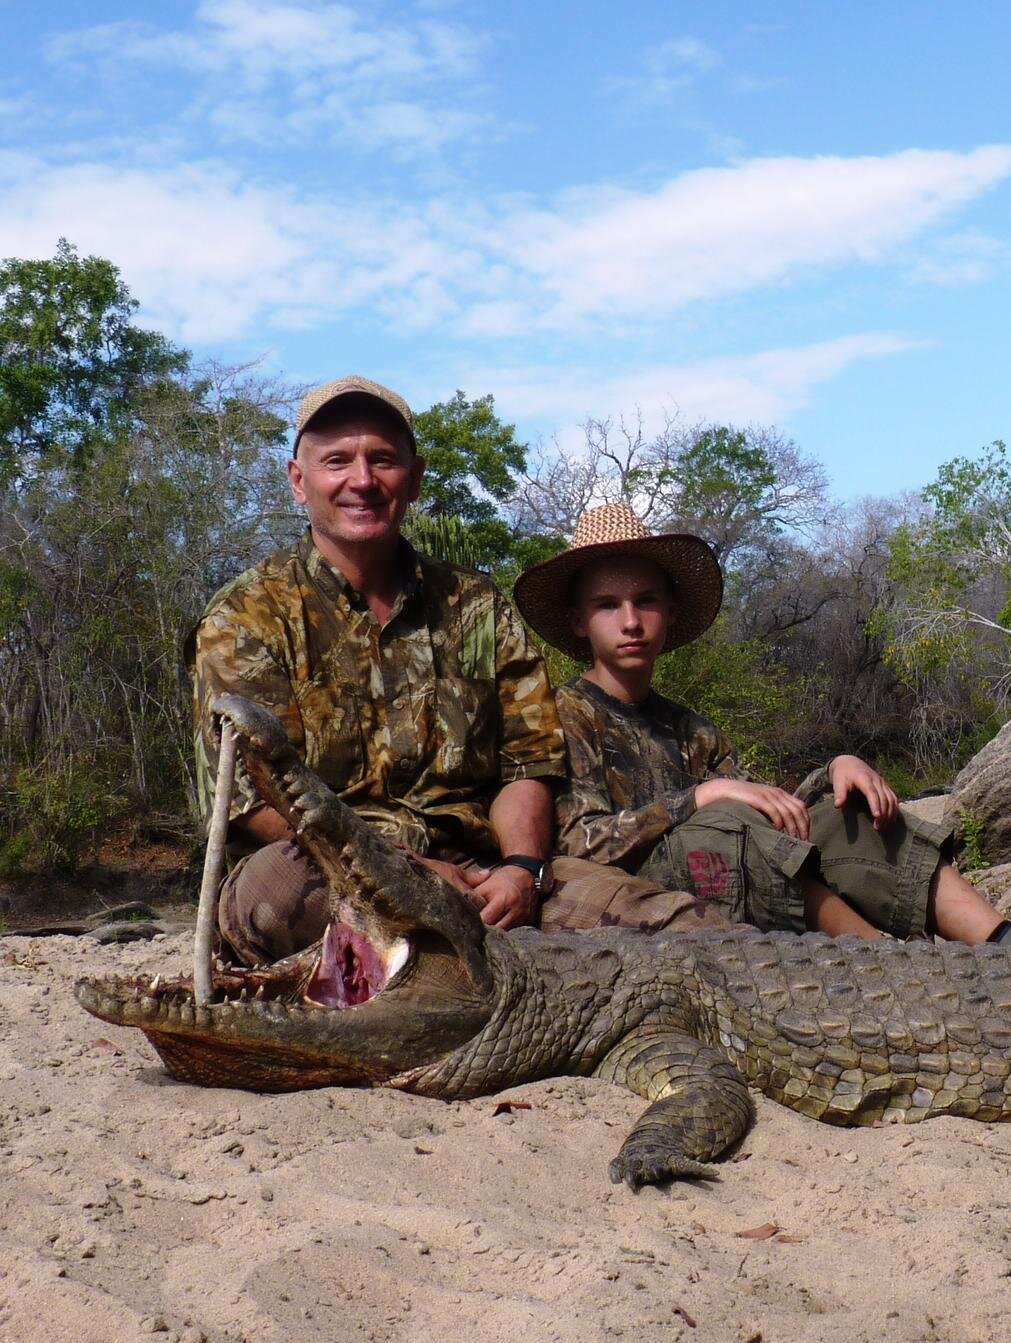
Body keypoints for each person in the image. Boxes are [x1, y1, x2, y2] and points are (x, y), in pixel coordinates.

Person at [193, 377, 723, 966]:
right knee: (276, 892)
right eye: (337, 461)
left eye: (383, 460)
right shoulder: (246, 617)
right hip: (323, 867)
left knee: (692, 931)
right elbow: (250, 800)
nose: (362, 480)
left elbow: (528, 764)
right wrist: (407, 873)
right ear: (299, 481)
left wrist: (523, 869)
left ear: (414, 478)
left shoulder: (477, 608)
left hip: (483, 876)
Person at [513, 503, 1011, 946]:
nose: (630, 621)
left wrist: (836, 770)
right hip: (647, 903)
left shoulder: (691, 727)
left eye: (646, 601)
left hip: (731, 869)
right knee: (727, 816)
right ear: (578, 622)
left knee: (844, 812)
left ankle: (1000, 938)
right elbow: (578, 846)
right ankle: (883, 955)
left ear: (671, 611)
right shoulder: (563, 717)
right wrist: (697, 799)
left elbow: (780, 815)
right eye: (608, 605)